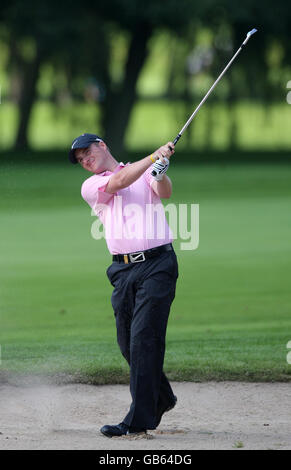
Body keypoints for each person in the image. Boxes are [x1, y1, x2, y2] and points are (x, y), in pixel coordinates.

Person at [69, 133, 178, 437]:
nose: (85, 161)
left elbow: (164, 192)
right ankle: (163, 397)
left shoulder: (141, 171)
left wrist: (160, 172)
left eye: (87, 153)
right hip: (122, 270)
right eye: (80, 161)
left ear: (103, 145)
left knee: (144, 338)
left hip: (158, 264)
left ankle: (139, 420)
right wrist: (152, 159)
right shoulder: (92, 185)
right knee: (127, 341)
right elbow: (119, 182)